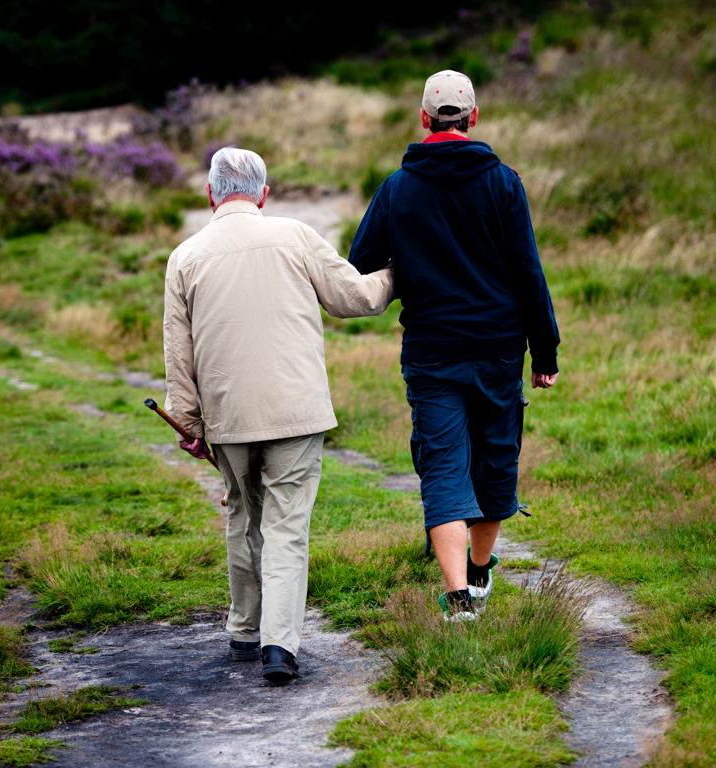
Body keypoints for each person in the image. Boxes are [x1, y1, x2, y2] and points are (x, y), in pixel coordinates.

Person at [164, 147, 394, 680]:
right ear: (264, 194)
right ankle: (279, 648)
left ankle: (244, 631)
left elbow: (179, 352)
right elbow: (355, 298)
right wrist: (396, 275)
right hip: (296, 413)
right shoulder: (295, 236)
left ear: (210, 195)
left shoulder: (185, 256)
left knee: (243, 514)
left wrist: (188, 422)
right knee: (287, 527)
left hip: (228, 416)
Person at [348, 70, 560, 622]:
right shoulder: (504, 183)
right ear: (473, 118)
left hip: (432, 350)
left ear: (424, 119)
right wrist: (547, 352)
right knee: (495, 458)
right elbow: (527, 273)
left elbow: (360, 264)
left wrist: (412, 264)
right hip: (498, 349)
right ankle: (482, 570)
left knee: (443, 468)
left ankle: (458, 597)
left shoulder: (398, 188)